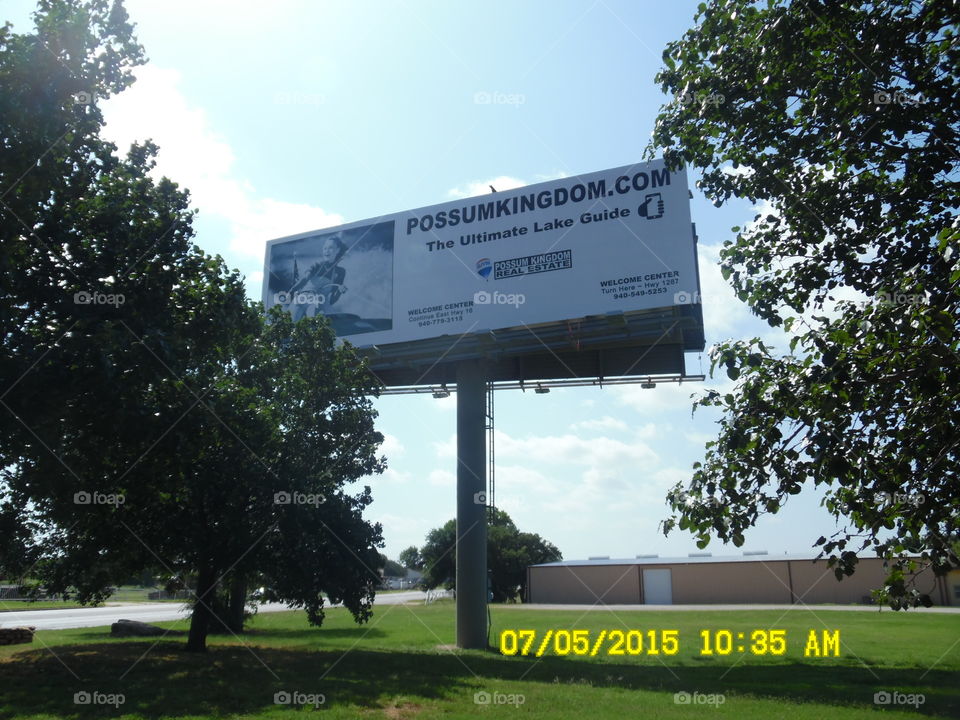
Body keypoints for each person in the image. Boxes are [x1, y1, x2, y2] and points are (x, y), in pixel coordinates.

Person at [287, 234, 348, 321]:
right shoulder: (317, 264)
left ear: (337, 250)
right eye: (325, 248)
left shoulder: (340, 272)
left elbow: (332, 300)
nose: (327, 251)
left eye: (330, 248)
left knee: (322, 323)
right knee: (290, 322)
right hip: (302, 299)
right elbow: (305, 279)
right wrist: (291, 291)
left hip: (321, 303)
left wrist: (339, 292)